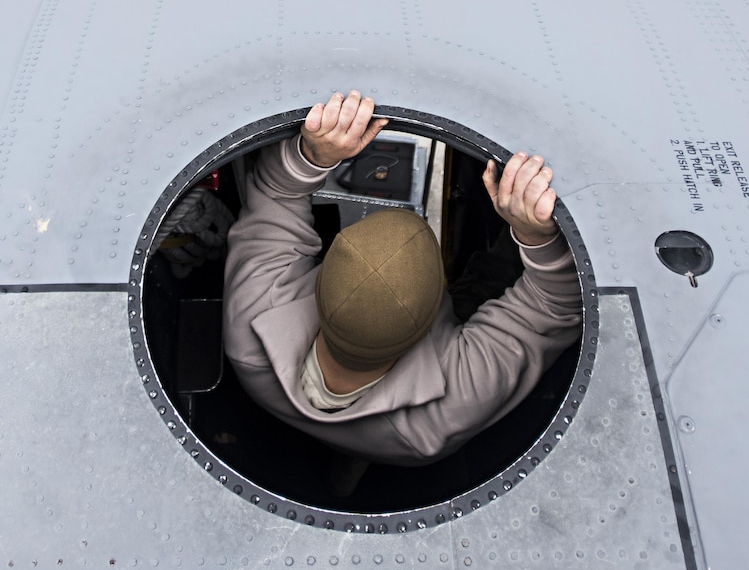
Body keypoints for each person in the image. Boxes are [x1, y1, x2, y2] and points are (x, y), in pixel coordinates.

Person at [222, 90, 584, 470]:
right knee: (492, 280)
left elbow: (274, 193)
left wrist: (312, 156)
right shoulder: (450, 407)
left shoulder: (249, 329)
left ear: (320, 283)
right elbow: (557, 305)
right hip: (394, 445)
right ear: (433, 318)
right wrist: (537, 237)